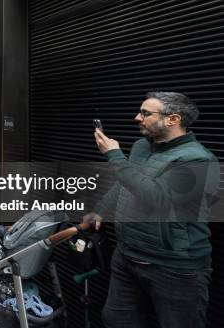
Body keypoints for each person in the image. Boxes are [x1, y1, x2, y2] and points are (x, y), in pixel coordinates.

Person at [84, 92, 219, 328]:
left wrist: (114, 156)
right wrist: (101, 210)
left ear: (173, 119)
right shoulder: (141, 147)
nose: (137, 117)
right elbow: (125, 183)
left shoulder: (198, 160)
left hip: (173, 268)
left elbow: (159, 199)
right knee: (116, 320)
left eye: (145, 113)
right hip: (127, 256)